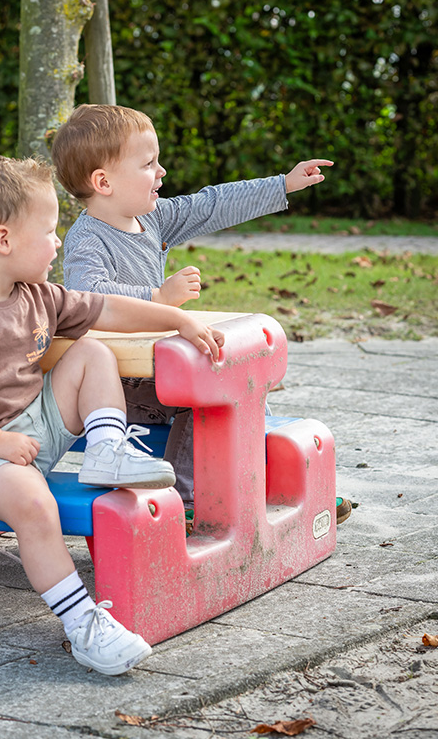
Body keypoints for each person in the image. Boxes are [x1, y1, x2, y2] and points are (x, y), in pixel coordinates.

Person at [0, 152, 225, 677]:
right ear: (3, 239)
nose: (59, 242)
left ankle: (106, 451)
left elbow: (107, 309)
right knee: (34, 502)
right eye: (50, 231)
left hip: (36, 425)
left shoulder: (36, 294)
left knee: (91, 352)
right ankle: (83, 626)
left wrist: (176, 319)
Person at [52, 104, 334, 511]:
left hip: (156, 369)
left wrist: (282, 185)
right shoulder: (88, 240)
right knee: (205, 383)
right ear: (103, 181)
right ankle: (187, 501)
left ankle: (262, 483)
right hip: (120, 383)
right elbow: (89, 296)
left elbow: (211, 204)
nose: (162, 171)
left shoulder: (153, 219)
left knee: (241, 379)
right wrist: (158, 298)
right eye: (149, 163)